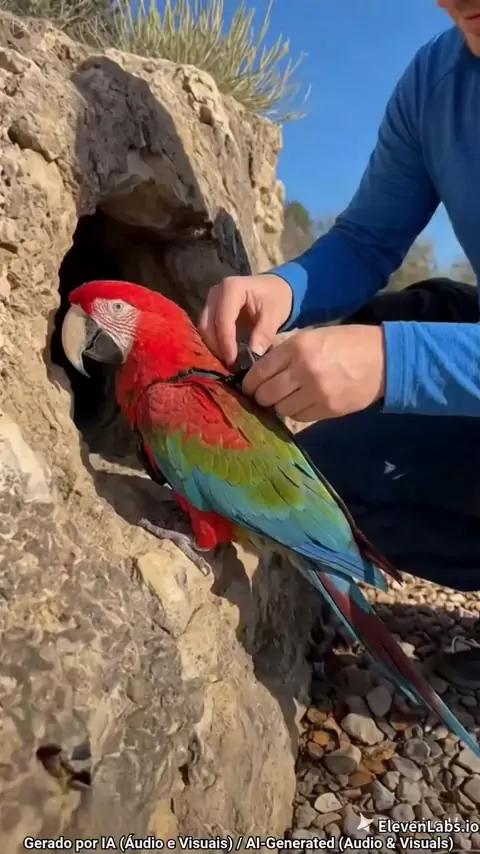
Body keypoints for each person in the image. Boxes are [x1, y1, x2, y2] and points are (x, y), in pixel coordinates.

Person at [197, 0, 480, 689]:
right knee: (323, 485)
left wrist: (391, 363)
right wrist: (283, 289)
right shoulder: (435, 82)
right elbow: (366, 240)